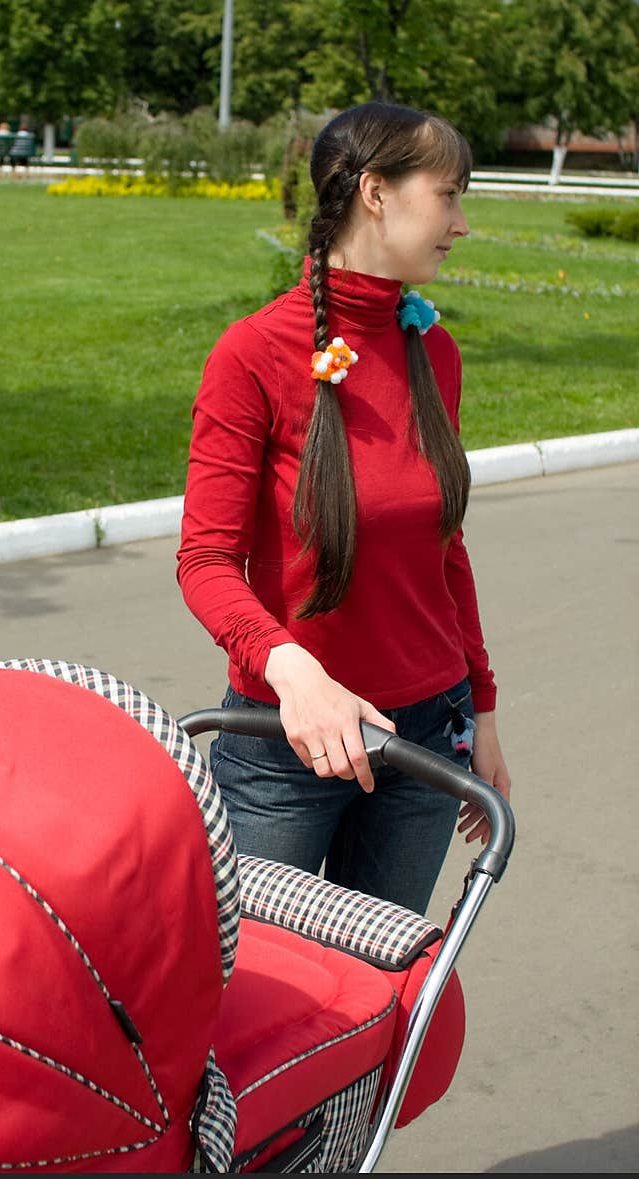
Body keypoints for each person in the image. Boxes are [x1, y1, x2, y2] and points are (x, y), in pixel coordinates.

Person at [176, 101, 511, 916]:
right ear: (376, 192)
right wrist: (294, 673)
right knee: (254, 1000)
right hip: (285, 740)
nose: (462, 223)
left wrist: (483, 713)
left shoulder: (433, 348)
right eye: (450, 195)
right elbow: (206, 562)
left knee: (372, 994)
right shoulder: (253, 353)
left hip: (427, 738)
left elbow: (445, 547)